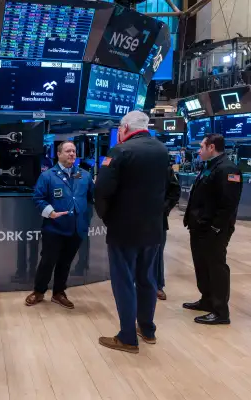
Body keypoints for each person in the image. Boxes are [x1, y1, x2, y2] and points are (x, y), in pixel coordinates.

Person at [94, 111, 170, 354]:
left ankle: (127, 337)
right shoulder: (162, 151)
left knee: (124, 281)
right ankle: (147, 330)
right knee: (147, 279)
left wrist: (109, 218)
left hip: (124, 230)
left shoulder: (120, 151)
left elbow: (102, 191)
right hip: (153, 229)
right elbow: (171, 189)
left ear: (125, 128)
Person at [25, 141, 94, 308]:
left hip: (77, 228)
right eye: (68, 151)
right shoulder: (47, 176)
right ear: (59, 154)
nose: (72, 154)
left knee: (66, 262)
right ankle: (39, 291)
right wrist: (50, 212)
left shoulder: (84, 175)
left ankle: (58, 292)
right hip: (54, 228)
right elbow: (38, 198)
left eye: (74, 151)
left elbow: (91, 197)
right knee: (48, 261)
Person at [183, 134, 243, 325]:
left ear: (211, 147)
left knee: (216, 267)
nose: (199, 151)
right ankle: (207, 300)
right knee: (202, 265)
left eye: (201, 147)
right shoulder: (210, 166)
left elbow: (229, 204)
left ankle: (220, 311)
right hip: (200, 227)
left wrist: (217, 227)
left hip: (214, 230)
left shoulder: (228, 168)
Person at [156, 166, 181, 300]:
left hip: (157, 219)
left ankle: (158, 285)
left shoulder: (164, 167)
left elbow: (175, 191)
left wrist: (163, 209)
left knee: (157, 252)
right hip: (135, 217)